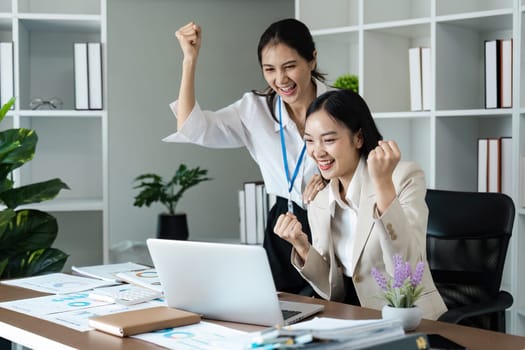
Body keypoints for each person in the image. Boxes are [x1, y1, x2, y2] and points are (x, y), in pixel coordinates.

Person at [163, 18, 329, 294]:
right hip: (283, 224)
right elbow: (192, 129)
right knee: (280, 313)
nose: (281, 79)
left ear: (312, 60)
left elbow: (366, 166)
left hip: (334, 223)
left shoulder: (340, 105)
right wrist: (189, 60)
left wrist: (332, 183)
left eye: (290, 67)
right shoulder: (254, 110)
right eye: (270, 69)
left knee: (335, 311)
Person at [273, 89, 447, 320]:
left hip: (405, 317)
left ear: (358, 138)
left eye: (329, 140)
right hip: (350, 317)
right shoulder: (321, 197)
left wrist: (383, 185)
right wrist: (302, 246)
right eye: (310, 141)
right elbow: (332, 290)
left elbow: (405, 272)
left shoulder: (402, 177)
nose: (317, 152)